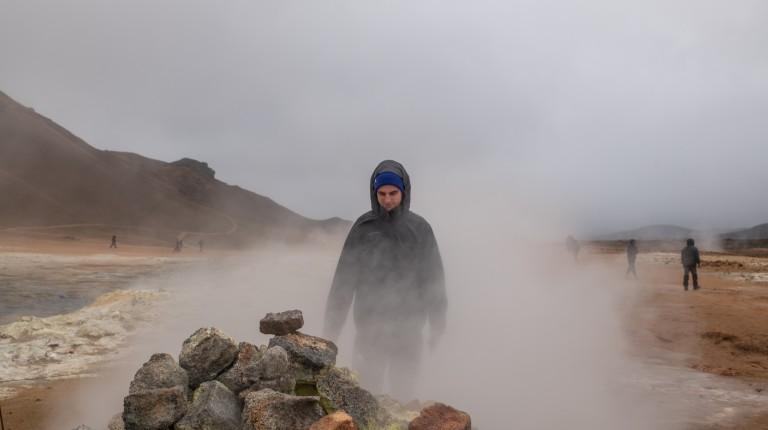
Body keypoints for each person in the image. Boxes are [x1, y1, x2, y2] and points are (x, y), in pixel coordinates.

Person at [323, 160, 446, 400]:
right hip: (370, 326)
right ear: (374, 192)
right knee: (367, 393)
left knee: (404, 392)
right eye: (381, 194)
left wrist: (437, 323)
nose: (387, 200)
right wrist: (331, 330)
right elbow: (344, 281)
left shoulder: (420, 229)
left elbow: (433, 277)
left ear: (404, 191)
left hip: (409, 327)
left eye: (393, 193)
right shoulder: (363, 228)